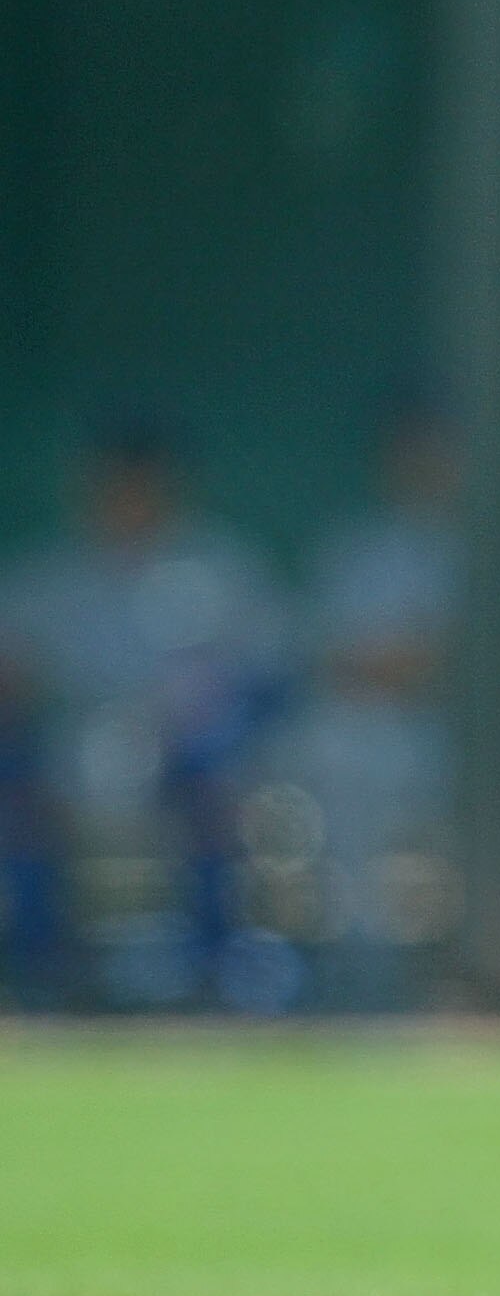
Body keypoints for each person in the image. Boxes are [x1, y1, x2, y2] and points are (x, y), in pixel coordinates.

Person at [277, 390, 500, 1008]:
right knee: (336, 751)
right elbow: (345, 663)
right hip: (405, 732)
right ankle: (362, 968)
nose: (428, 460)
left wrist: (433, 654)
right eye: (413, 445)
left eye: (442, 443)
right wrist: (465, 649)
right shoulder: (367, 547)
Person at [0, 407, 291, 1009]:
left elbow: (272, 675)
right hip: (67, 747)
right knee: (25, 779)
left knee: (212, 775)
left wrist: (209, 733)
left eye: (142, 478)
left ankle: (214, 963)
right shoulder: (48, 575)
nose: (127, 493)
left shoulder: (218, 567)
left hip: (192, 758)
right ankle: (42, 970)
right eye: (114, 479)